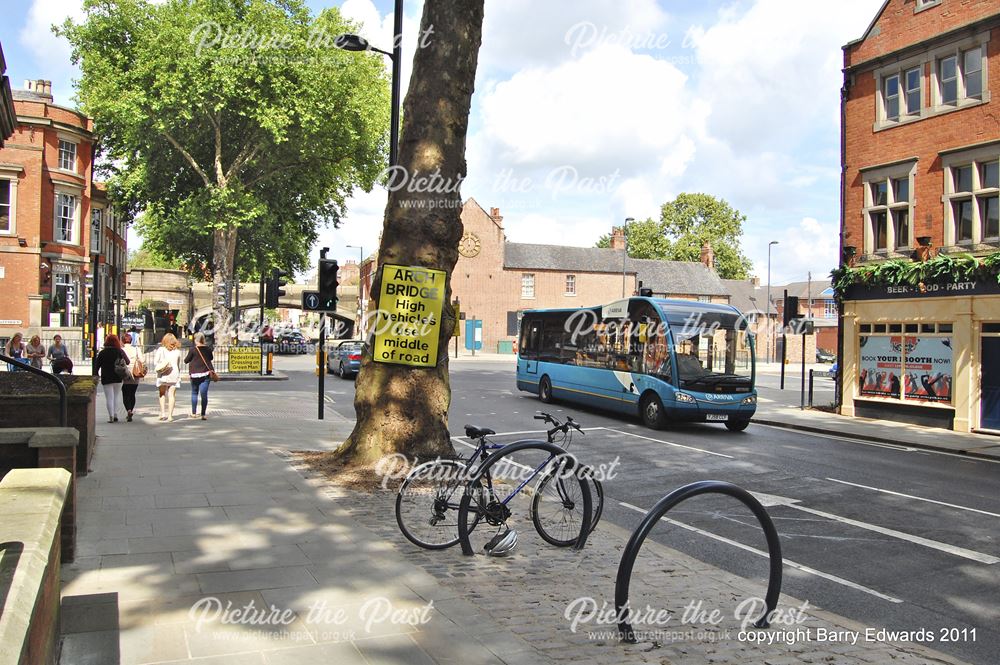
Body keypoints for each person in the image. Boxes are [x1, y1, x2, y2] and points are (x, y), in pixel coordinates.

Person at [95, 334, 128, 423]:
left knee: (109, 397)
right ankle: (116, 414)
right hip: (118, 376)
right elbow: (127, 361)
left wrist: (96, 375)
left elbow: (97, 366)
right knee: (116, 396)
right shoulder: (119, 351)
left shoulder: (102, 352)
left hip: (106, 377)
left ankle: (111, 416)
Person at [184, 332, 215, 420]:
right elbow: (211, 358)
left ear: (195, 339)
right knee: (204, 394)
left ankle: (194, 413)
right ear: (203, 339)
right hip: (205, 374)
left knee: (194, 393)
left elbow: (186, 360)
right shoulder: (208, 349)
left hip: (194, 374)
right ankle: (203, 414)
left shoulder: (193, 349)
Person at [153, 333, 183, 422]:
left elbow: (155, 362)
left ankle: (162, 413)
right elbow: (178, 365)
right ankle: (170, 416)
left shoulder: (161, 350)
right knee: (172, 395)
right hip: (174, 374)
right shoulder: (177, 351)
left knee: (162, 394)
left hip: (163, 374)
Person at [121, 333, 143, 422]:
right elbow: (142, 360)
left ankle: (128, 410)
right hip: (135, 373)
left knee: (125, 394)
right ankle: (131, 410)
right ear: (131, 340)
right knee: (132, 394)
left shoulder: (121, 350)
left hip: (124, 373)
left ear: (123, 340)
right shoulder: (137, 349)